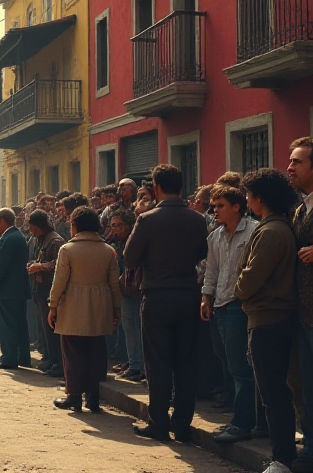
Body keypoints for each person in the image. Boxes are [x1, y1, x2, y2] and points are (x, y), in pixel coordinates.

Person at [124, 164, 209, 442]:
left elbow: (130, 258)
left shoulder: (147, 219)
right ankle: (182, 424)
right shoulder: (198, 219)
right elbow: (201, 253)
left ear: (157, 187)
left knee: (157, 362)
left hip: (158, 295)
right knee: (186, 361)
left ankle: (159, 422)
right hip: (188, 295)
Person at [236, 168, 300, 473]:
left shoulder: (271, 231)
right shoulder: (275, 227)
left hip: (269, 319)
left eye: (248, 195)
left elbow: (250, 278)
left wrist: (238, 288)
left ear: (258, 198)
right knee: (274, 391)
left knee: (273, 393)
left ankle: (281, 459)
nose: (248, 200)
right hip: (271, 317)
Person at [200, 184, 260, 443]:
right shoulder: (215, 236)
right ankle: (248, 419)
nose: (215, 210)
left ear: (237, 207)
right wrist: (206, 297)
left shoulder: (254, 232)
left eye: (220, 205)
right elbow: (211, 270)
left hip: (240, 305)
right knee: (225, 358)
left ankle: (242, 423)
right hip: (219, 305)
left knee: (240, 367)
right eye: (213, 206)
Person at [47, 206, 122, 413]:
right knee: (96, 350)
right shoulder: (108, 251)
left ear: (75, 225)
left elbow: (59, 281)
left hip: (72, 305)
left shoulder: (68, 250)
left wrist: (53, 306)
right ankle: (93, 396)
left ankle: (74, 395)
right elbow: (114, 283)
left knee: (72, 351)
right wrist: (117, 307)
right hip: (100, 304)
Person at [290, 137, 313, 473]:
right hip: (302, 312)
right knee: (308, 386)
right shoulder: (300, 207)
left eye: (297, 162)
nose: (290, 167)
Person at [0, 208, 32, 369]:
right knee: (19, 323)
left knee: (7, 325)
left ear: (2, 221)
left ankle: (9, 357)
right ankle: (22, 356)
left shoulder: (9, 238)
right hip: (17, 289)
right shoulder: (17, 236)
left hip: (7, 290)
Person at [27, 209, 65, 378]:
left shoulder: (55, 240)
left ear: (37, 226)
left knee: (52, 328)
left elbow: (59, 263)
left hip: (50, 289)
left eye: (31, 226)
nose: (29, 229)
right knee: (44, 328)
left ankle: (58, 362)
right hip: (40, 289)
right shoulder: (40, 240)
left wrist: (40, 267)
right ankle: (50, 358)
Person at [109, 209, 144, 381]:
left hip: (136, 289)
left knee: (138, 328)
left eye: (120, 225)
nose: (116, 229)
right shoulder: (116, 242)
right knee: (128, 328)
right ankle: (133, 362)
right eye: (113, 225)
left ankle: (140, 366)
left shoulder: (135, 240)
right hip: (124, 290)